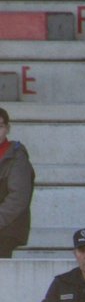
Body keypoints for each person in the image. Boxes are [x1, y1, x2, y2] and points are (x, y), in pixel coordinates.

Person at [0, 107, 35, 258]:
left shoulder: (17, 156)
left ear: (8, 128)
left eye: (0, 126)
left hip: (7, 228)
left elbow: (18, 198)